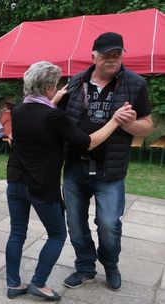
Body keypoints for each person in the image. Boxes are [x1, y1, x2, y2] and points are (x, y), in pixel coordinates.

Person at [5, 61, 129, 301]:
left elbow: (39, 116)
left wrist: (55, 98)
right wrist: (114, 120)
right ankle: (38, 283)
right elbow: (88, 142)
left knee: (17, 232)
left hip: (15, 181)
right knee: (57, 234)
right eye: (56, 84)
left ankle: (13, 284)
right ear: (49, 86)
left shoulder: (19, 111)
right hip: (41, 186)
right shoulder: (54, 116)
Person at [59, 32, 153, 291]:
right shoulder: (76, 82)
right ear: (94, 56)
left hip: (110, 171)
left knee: (109, 224)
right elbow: (59, 118)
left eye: (117, 55)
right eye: (106, 55)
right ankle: (85, 267)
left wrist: (130, 123)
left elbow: (146, 126)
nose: (112, 60)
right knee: (75, 224)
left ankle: (110, 264)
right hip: (76, 167)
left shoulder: (135, 84)